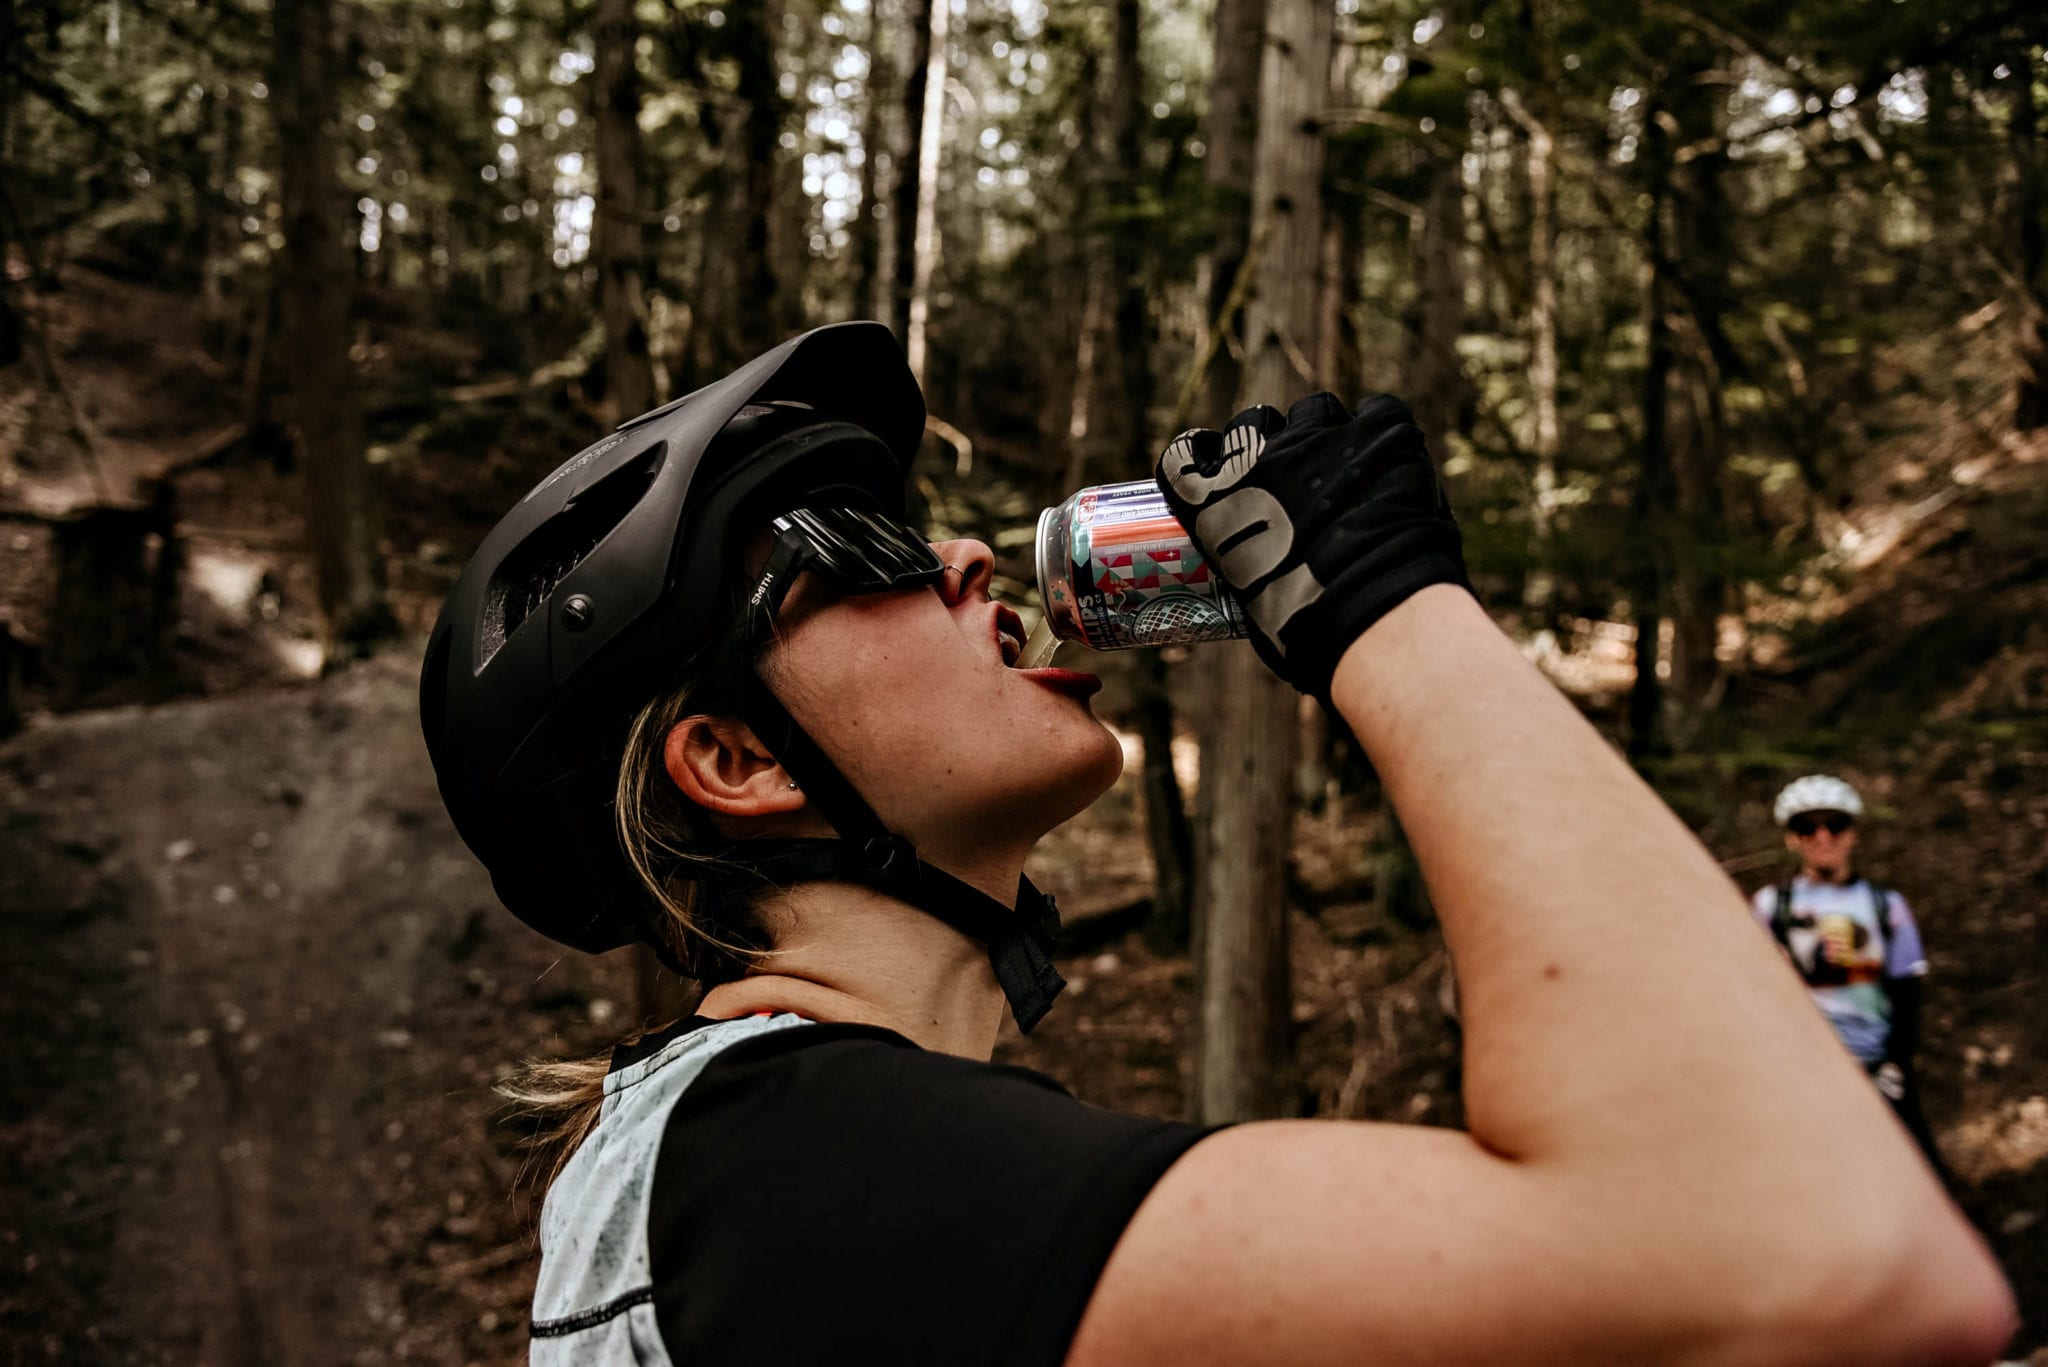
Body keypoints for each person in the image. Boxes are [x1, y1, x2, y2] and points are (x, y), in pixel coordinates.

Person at [419, 323, 2014, 1366]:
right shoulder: (788, 1176)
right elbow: (1819, 1255)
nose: (970, 551)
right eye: (866, 545)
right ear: (738, 758)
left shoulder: (743, 1178)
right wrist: (1393, 615)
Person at [1755, 775, 1946, 1169]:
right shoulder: (1772, 905)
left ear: (1852, 834)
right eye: (1807, 827)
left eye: (1835, 825)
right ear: (1792, 838)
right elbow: (1754, 989)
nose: (1822, 836)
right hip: (1802, 1068)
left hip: (1876, 1064)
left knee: (1923, 1176)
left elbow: (1907, 989)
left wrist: (1895, 1062)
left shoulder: (1885, 905)